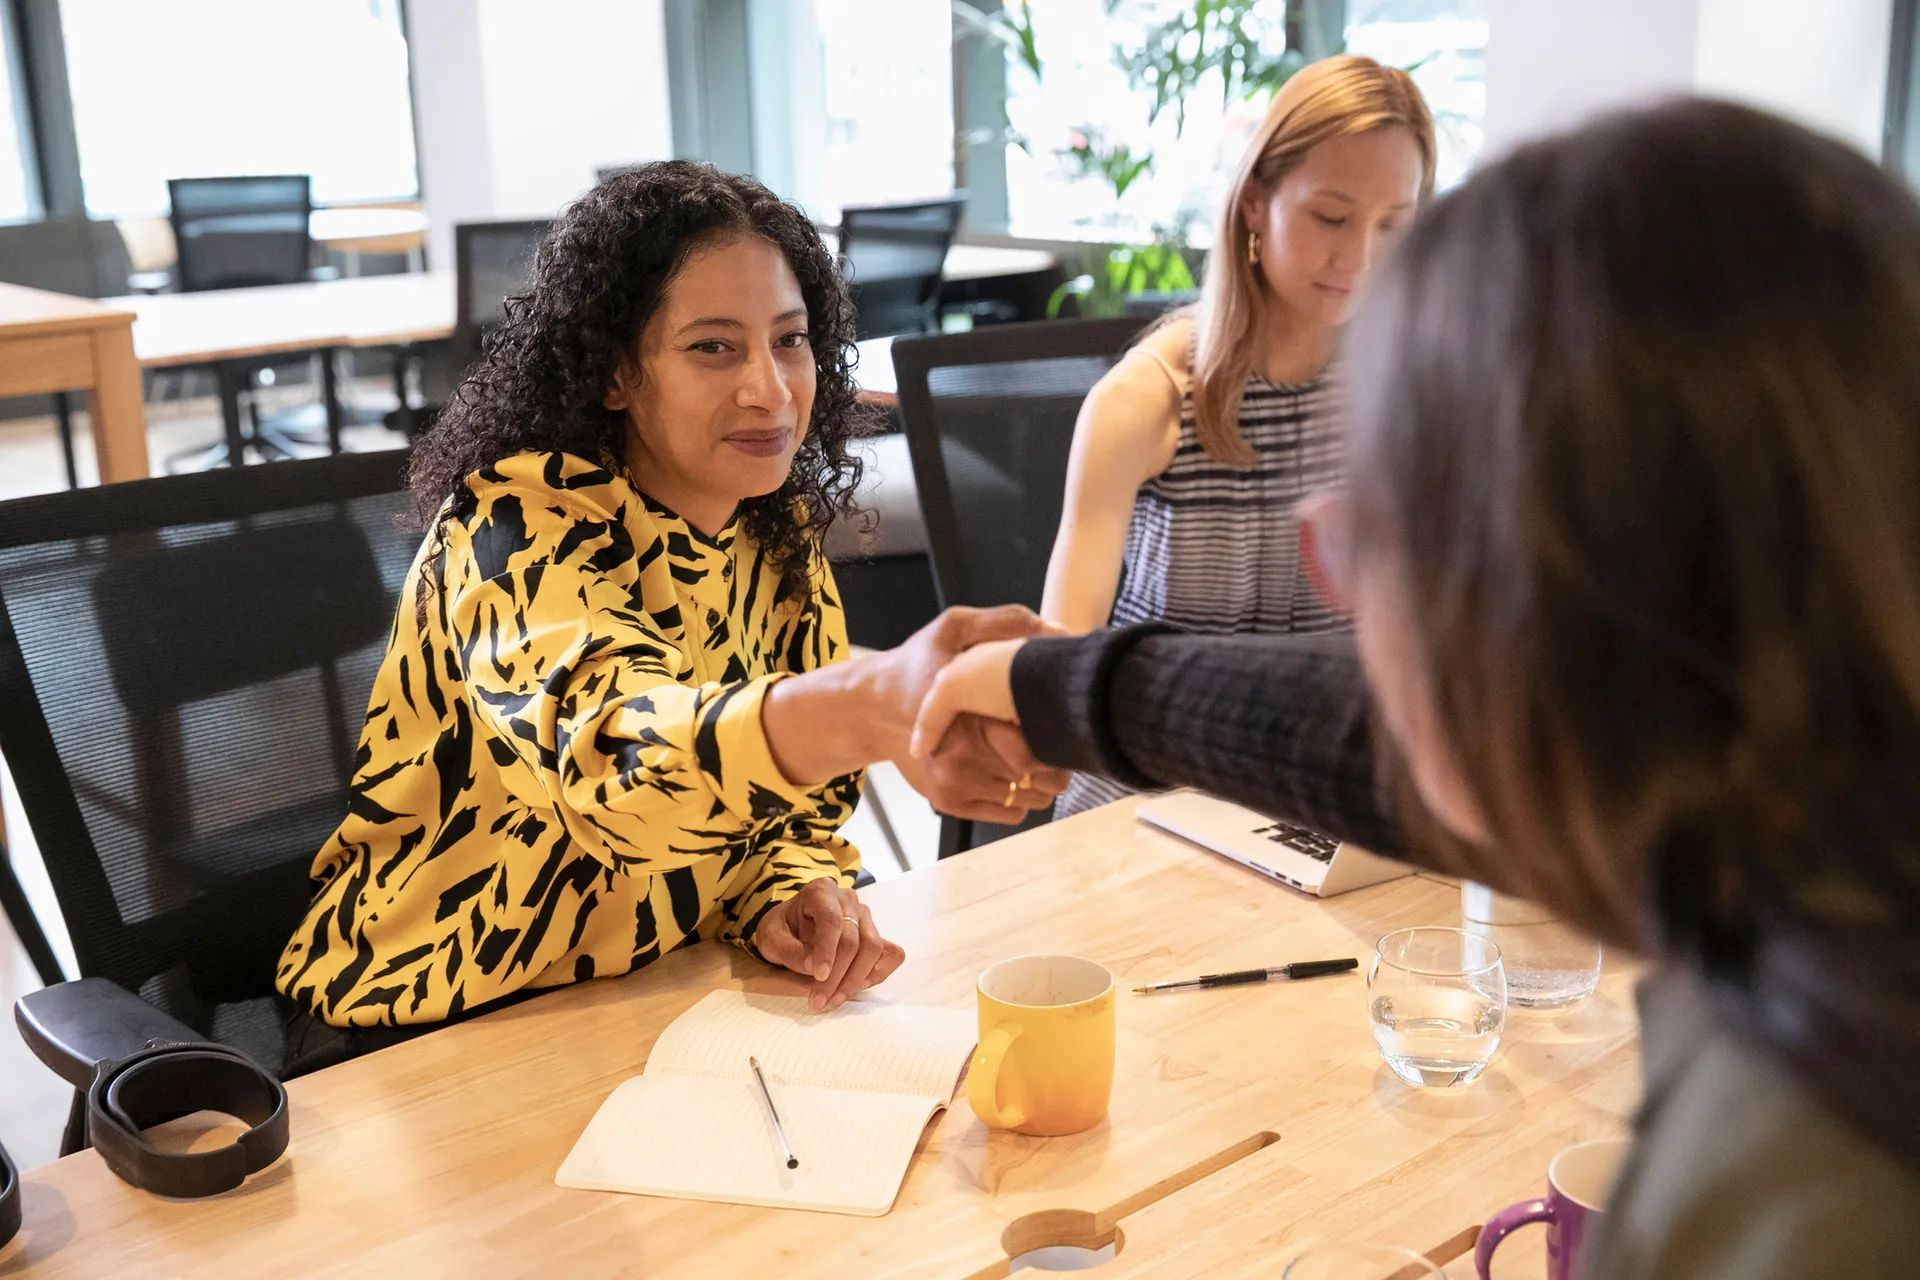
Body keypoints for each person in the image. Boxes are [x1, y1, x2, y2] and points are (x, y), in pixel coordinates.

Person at [912, 100, 1920, 1277]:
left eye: (1393, 522)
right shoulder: (1821, 862)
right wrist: (1068, 687)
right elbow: (1394, 733)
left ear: (1599, 581)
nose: (1356, 609)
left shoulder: (1794, 1168)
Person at [276, 162, 1065, 1073]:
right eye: (712, 348)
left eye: (791, 340)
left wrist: (784, 886)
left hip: (643, 1004)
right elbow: (615, 774)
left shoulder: (767, 529)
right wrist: (870, 702)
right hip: (422, 1030)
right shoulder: (515, 533)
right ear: (616, 372)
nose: (770, 390)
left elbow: (783, 808)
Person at [1041, 54, 1434, 819]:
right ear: (1256, 201)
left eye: (1394, 227)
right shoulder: (1148, 400)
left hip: (1321, 798)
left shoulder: (1402, 394)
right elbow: (1062, 665)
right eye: (1330, 217)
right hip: (1150, 800)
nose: (1359, 260)